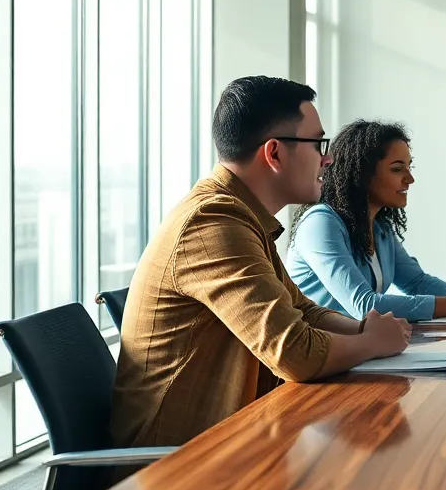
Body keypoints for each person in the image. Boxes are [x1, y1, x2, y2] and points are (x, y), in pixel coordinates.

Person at [111, 77, 412, 449]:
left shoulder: (243, 218)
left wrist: (364, 328)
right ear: (274, 154)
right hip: (173, 468)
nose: (328, 158)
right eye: (318, 144)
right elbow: (293, 352)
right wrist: (370, 343)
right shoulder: (213, 223)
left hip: (233, 439)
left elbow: (301, 310)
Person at [288, 120, 446, 321]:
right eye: (397, 169)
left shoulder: (379, 227)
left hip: (360, 349)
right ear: (362, 174)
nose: (410, 179)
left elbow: (416, 282)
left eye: (409, 167)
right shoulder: (320, 224)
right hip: (321, 355)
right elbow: (365, 306)